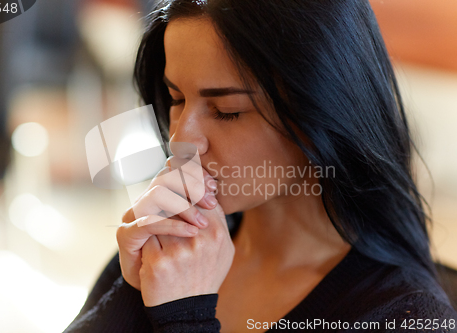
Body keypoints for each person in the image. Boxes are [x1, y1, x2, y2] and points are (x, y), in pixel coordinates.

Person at [64, 0, 457, 332]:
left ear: (319, 112)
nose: (181, 139)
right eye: (177, 99)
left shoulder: (405, 316)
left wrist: (182, 316)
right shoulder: (172, 249)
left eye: (226, 111)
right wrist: (135, 293)